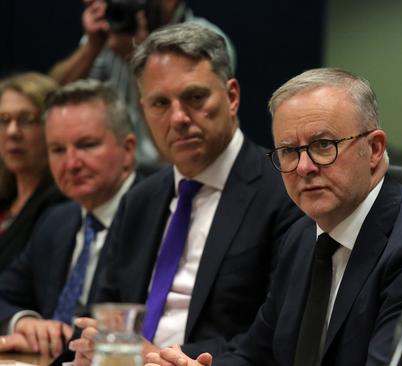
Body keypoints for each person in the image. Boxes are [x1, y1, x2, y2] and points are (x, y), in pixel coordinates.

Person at [145, 67, 402, 366]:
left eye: (324, 145)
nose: (305, 167)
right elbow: (256, 355)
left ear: (374, 149)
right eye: (289, 151)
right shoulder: (302, 237)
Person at [68, 22, 301, 365]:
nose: (178, 118)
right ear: (143, 111)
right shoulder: (139, 199)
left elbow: (274, 335)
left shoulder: (284, 191)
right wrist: (92, 342)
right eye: (160, 103)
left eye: (194, 97)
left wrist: (151, 356)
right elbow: (103, 314)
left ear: (232, 97)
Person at [0, 79, 138, 358]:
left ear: (128, 150)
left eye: (86, 145)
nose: (71, 163)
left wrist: (61, 340)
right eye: (58, 150)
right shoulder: (57, 220)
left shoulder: (157, 215)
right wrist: (25, 322)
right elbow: (4, 293)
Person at [49, 0, 236, 163]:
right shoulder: (114, 30)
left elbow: (176, 136)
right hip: (115, 172)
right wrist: (92, 46)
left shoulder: (206, 39)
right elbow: (52, 100)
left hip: (176, 166)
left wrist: (134, 59)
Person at [0, 73, 67, 271]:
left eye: (26, 120)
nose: (12, 132)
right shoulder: (6, 198)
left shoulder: (60, 205)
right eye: (4, 120)